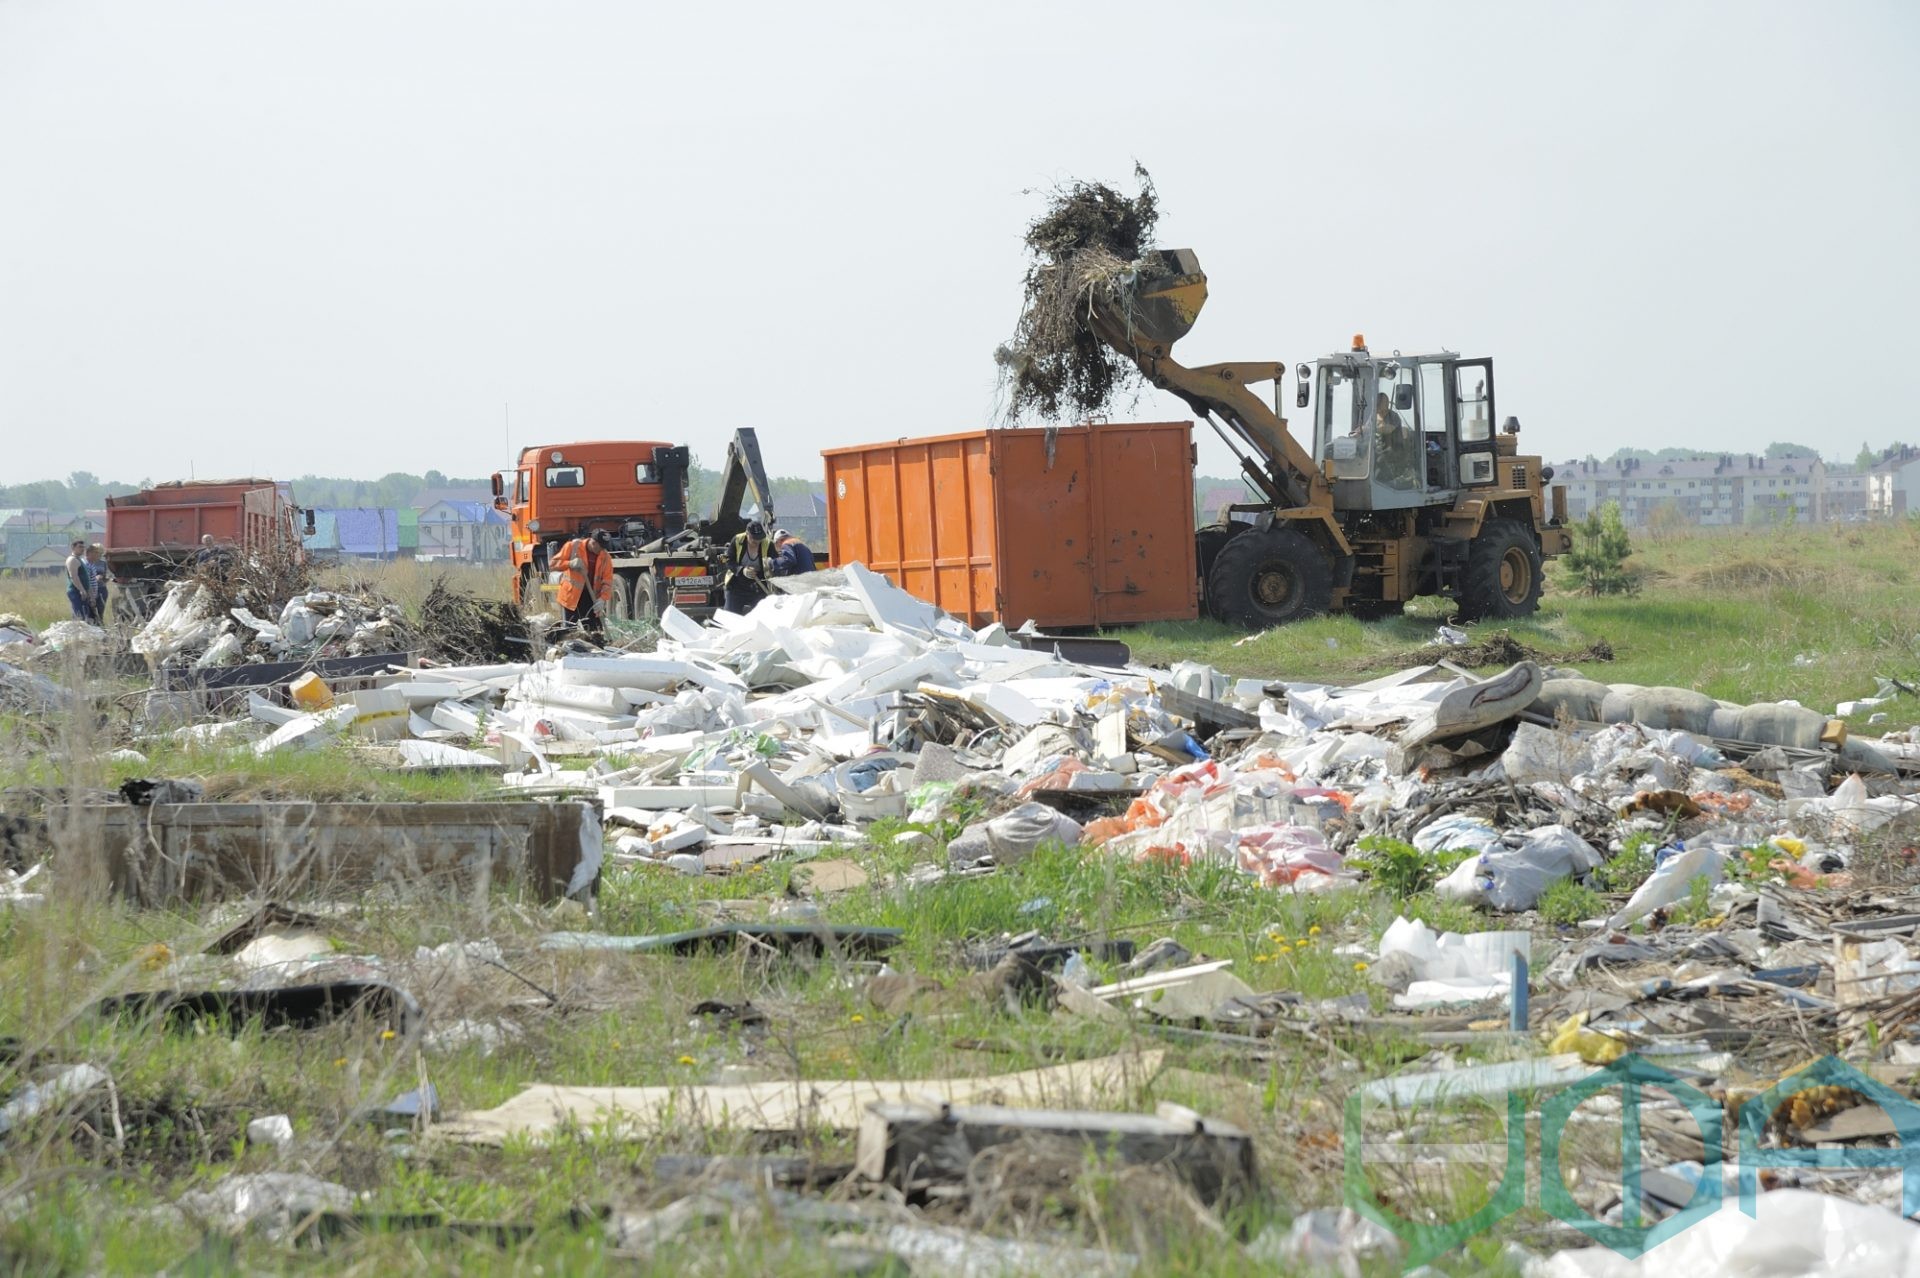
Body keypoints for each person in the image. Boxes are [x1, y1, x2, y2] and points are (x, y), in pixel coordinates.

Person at [554, 529, 614, 641]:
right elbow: (553, 564)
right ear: (593, 542)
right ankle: (570, 655)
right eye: (601, 547)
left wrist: (602, 599)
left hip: (591, 598)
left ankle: (595, 654)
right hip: (571, 597)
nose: (602, 550)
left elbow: (607, 581)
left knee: (595, 634)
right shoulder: (573, 547)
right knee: (570, 633)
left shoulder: (605, 557)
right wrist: (570, 563)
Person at [723, 521, 769, 614]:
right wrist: (742, 570)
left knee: (762, 616)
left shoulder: (768, 544)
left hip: (758, 586)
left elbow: (775, 562)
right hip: (736, 586)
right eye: (754, 539)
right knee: (730, 616)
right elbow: (728, 560)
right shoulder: (737, 540)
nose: (757, 542)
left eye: (759, 539)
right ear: (747, 534)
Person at [63, 539, 96, 622]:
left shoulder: (80, 560)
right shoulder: (72, 560)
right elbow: (73, 577)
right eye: (80, 547)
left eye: (83, 547)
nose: (82, 549)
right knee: (79, 615)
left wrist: (91, 595)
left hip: (83, 592)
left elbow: (86, 579)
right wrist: (81, 590)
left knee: (86, 615)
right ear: (73, 548)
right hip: (75, 591)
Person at [85, 544, 110, 623]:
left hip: (102, 588)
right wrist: (95, 578)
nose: (98, 554)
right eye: (96, 552)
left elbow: (106, 575)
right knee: (91, 611)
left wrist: (104, 577)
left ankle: (100, 626)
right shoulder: (88, 562)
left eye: (99, 552)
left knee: (100, 611)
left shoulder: (103, 563)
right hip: (91, 589)